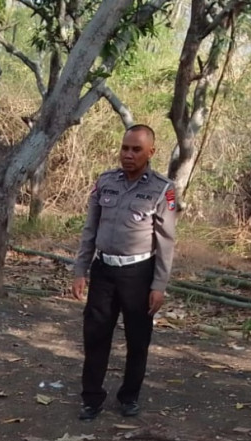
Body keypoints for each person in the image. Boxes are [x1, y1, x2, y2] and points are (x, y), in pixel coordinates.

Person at [71, 124, 178, 420]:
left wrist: (159, 284)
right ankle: (92, 398)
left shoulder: (161, 189)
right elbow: (89, 229)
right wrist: (81, 269)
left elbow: (166, 241)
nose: (128, 155)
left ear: (151, 152)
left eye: (136, 150)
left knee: (138, 339)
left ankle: (129, 396)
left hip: (138, 274)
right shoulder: (105, 182)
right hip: (104, 270)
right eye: (125, 148)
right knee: (95, 335)